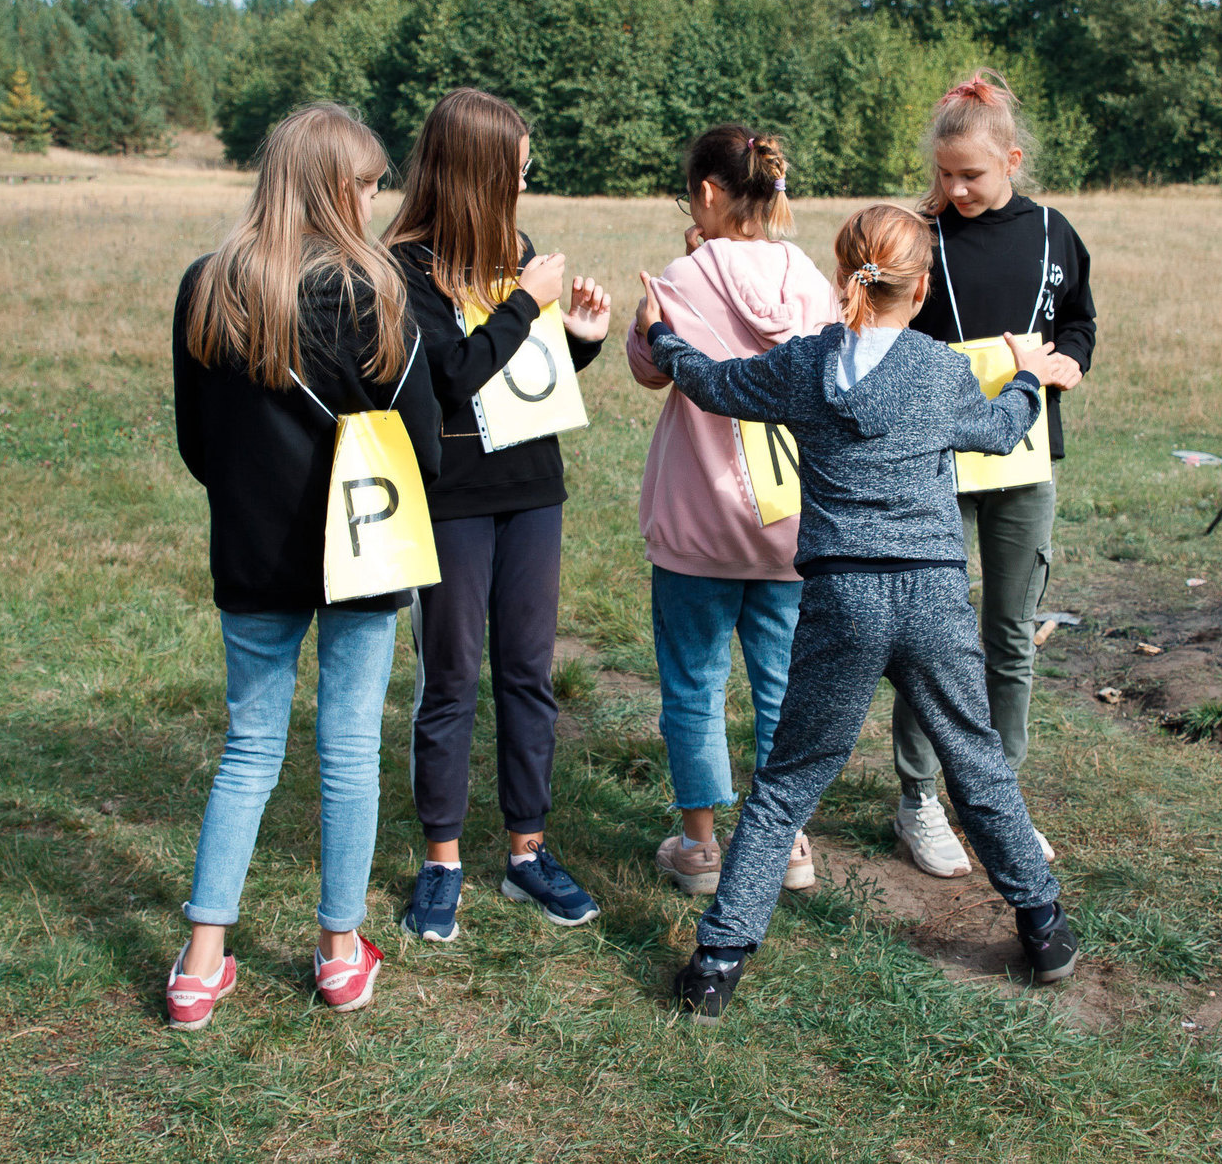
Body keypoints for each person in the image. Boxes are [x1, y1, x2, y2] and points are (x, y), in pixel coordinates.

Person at [635, 204, 1078, 1020]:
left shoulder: (806, 365)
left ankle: (718, 960)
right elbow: (1000, 430)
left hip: (841, 595)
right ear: (922, 289)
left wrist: (661, 336)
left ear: (843, 276)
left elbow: (710, 382)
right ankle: (1043, 925)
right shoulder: (940, 368)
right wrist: (1027, 374)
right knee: (975, 762)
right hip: (933, 595)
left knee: (788, 781)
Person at [165, 102, 441, 1029]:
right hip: (364, 547)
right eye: (367, 184)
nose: (376, 199)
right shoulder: (377, 290)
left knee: (249, 746)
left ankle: (202, 961)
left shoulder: (208, 284)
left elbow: (197, 442)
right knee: (350, 745)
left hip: (251, 550)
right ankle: (338, 951)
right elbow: (421, 446)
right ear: (334, 187)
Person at [384, 89, 612, 943]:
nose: (525, 179)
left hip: (531, 488)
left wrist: (579, 337)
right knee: (450, 677)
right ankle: (442, 862)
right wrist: (523, 301)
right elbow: (452, 375)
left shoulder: (513, 251)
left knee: (527, 674)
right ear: (477, 170)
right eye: (516, 167)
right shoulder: (403, 267)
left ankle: (527, 854)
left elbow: (518, 376)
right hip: (451, 497)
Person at [889, 69, 1095, 880]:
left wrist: (1070, 361)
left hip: (1024, 459)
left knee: (1009, 632)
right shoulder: (920, 237)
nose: (955, 189)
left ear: (1011, 161)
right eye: (944, 174)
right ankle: (919, 798)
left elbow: (1078, 321)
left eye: (970, 174)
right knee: (930, 634)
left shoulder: (1053, 234)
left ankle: (998, 798)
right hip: (935, 461)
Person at [625, 125, 838, 897]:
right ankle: (788, 840)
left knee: (694, 682)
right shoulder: (809, 277)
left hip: (697, 522)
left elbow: (650, 368)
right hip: (791, 523)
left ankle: (699, 844)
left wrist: (658, 307)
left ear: (709, 193)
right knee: (782, 683)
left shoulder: (681, 278)